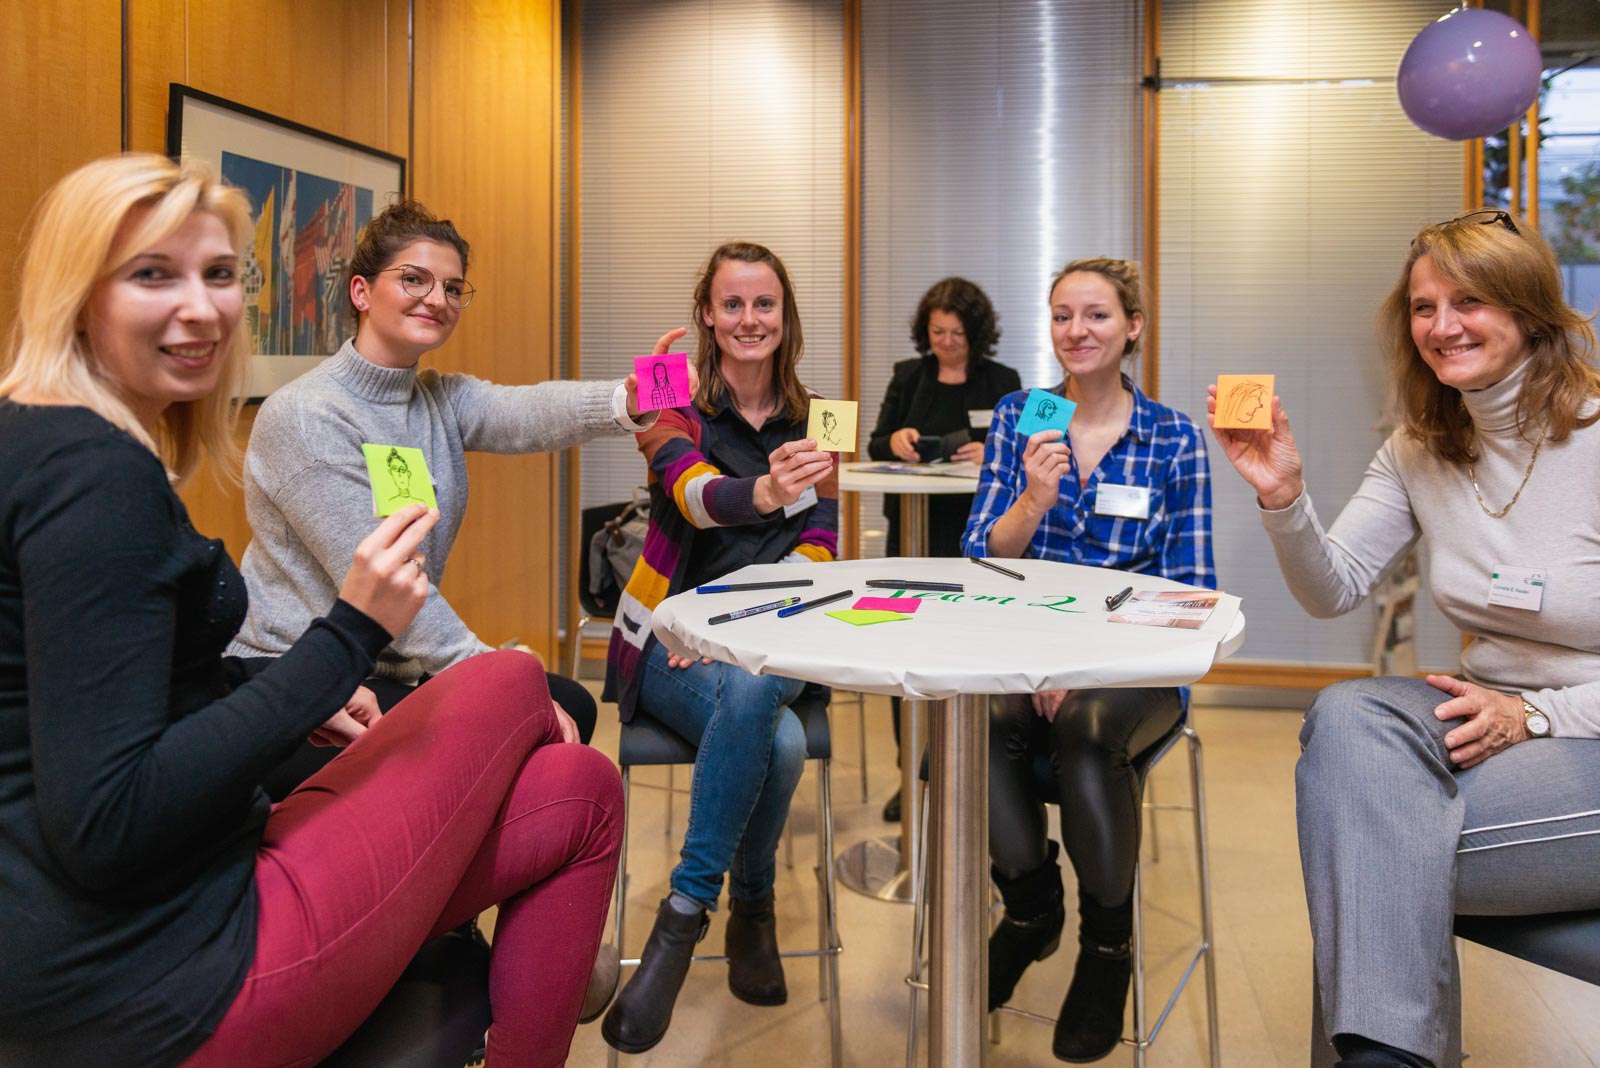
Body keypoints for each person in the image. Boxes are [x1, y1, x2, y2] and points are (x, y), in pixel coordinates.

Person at [0, 153, 622, 1068]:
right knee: (524, 688)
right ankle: (505, 954)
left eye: (220, 275)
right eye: (153, 275)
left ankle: (520, 971)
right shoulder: (111, 473)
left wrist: (652, 392)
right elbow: (107, 816)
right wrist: (344, 647)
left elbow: (534, 410)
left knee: (582, 782)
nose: (200, 307)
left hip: (175, 885)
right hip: (166, 969)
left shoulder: (53, 441)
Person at [1208, 210, 1600, 1068]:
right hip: (1485, 711)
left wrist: (1539, 716)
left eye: (1469, 301)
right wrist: (1282, 496)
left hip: (1585, 728)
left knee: (1362, 845)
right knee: (1350, 715)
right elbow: (1334, 587)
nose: (1442, 326)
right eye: (1424, 307)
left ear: (1529, 308)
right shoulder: (1421, 447)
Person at [228, 200, 676, 781]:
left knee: (573, 703)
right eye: (414, 279)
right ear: (361, 292)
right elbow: (392, 584)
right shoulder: (307, 417)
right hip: (297, 679)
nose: (437, 299)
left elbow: (526, 411)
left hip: (390, 670)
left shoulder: (435, 398)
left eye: (453, 288)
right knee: (526, 725)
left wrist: (635, 398)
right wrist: (499, 677)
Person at [962, 257, 1214, 1062]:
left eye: (1097, 315)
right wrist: (1032, 500)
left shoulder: (1173, 438)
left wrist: (1083, 666)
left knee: (1087, 725)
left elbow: (1191, 595)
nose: (1077, 331)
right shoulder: (1024, 416)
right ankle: (1031, 908)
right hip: (1027, 655)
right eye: (1063, 316)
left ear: (1132, 327)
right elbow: (981, 558)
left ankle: (1107, 949)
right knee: (977, 715)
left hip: (1136, 669)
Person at [600, 241, 838, 1055]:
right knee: (779, 736)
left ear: (785, 315)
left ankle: (685, 914)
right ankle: (747, 905)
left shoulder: (821, 416)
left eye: (764, 303)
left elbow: (824, 544)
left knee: (756, 686)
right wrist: (764, 492)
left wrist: (742, 631)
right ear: (706, 312)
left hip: (780, 640)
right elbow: (693, 495)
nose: (748, 319)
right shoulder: (672, 391)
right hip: (669, 639)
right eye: (731, 304)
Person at [866, 277, 1022, 819]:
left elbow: (1026, 450)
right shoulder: (907, 376)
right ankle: (911, 775)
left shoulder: (1004, 381)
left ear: (976, 334)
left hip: (978, 536)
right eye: (938, 332)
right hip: (913, 531)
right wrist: (896, 441)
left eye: (957, 333)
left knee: (968, 650)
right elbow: (875, 442)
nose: (947, 343)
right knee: (904, 653)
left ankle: (971, 770)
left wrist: (990, 448)